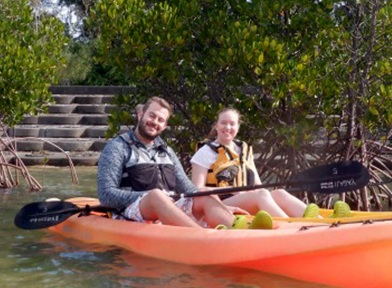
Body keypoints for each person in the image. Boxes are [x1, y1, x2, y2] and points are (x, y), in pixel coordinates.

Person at [97, 97, 272, 229]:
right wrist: (152, 197)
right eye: (152, 116)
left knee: (204, 191)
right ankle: (201, 237)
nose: (154, 122)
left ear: (164, 126)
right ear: (141, 115)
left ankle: (237, 230)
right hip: (132, 211)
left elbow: (189, 190)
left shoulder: (166, 151)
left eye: (160, 120)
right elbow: (106, 195)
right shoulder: (117, 147)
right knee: (156, 195)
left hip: (169, 205)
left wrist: (221, 206)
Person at [190, 107, 322, 218]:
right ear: (216, 126)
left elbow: (258, 186)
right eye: (223, 123)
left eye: (232, 124)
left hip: (248, 199)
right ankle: (290, 228)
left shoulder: (244, 150)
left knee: (279, 193)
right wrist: (231, 190)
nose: (228, 127)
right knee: (261, 195)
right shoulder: (205, 152)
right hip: (220, 204)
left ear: (238, 127)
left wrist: (264, 196)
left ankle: (321, 222)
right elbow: (197, 191)